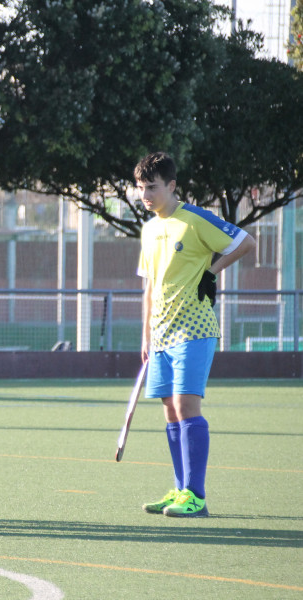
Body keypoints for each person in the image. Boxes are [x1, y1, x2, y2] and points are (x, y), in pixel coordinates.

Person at [134, 152, 255, 518]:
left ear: (171, 186)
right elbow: (149, 287)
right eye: (141, 188)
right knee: (170, 410)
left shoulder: (196, 219)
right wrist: (145, 336)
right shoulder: (149, 228)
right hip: (161, 334)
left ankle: (196, 496)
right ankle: (180, 490)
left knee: (187, 406)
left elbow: (246, 242)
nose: (145, 195)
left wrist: (212, 272)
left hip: (195, 330)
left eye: (152, 187)